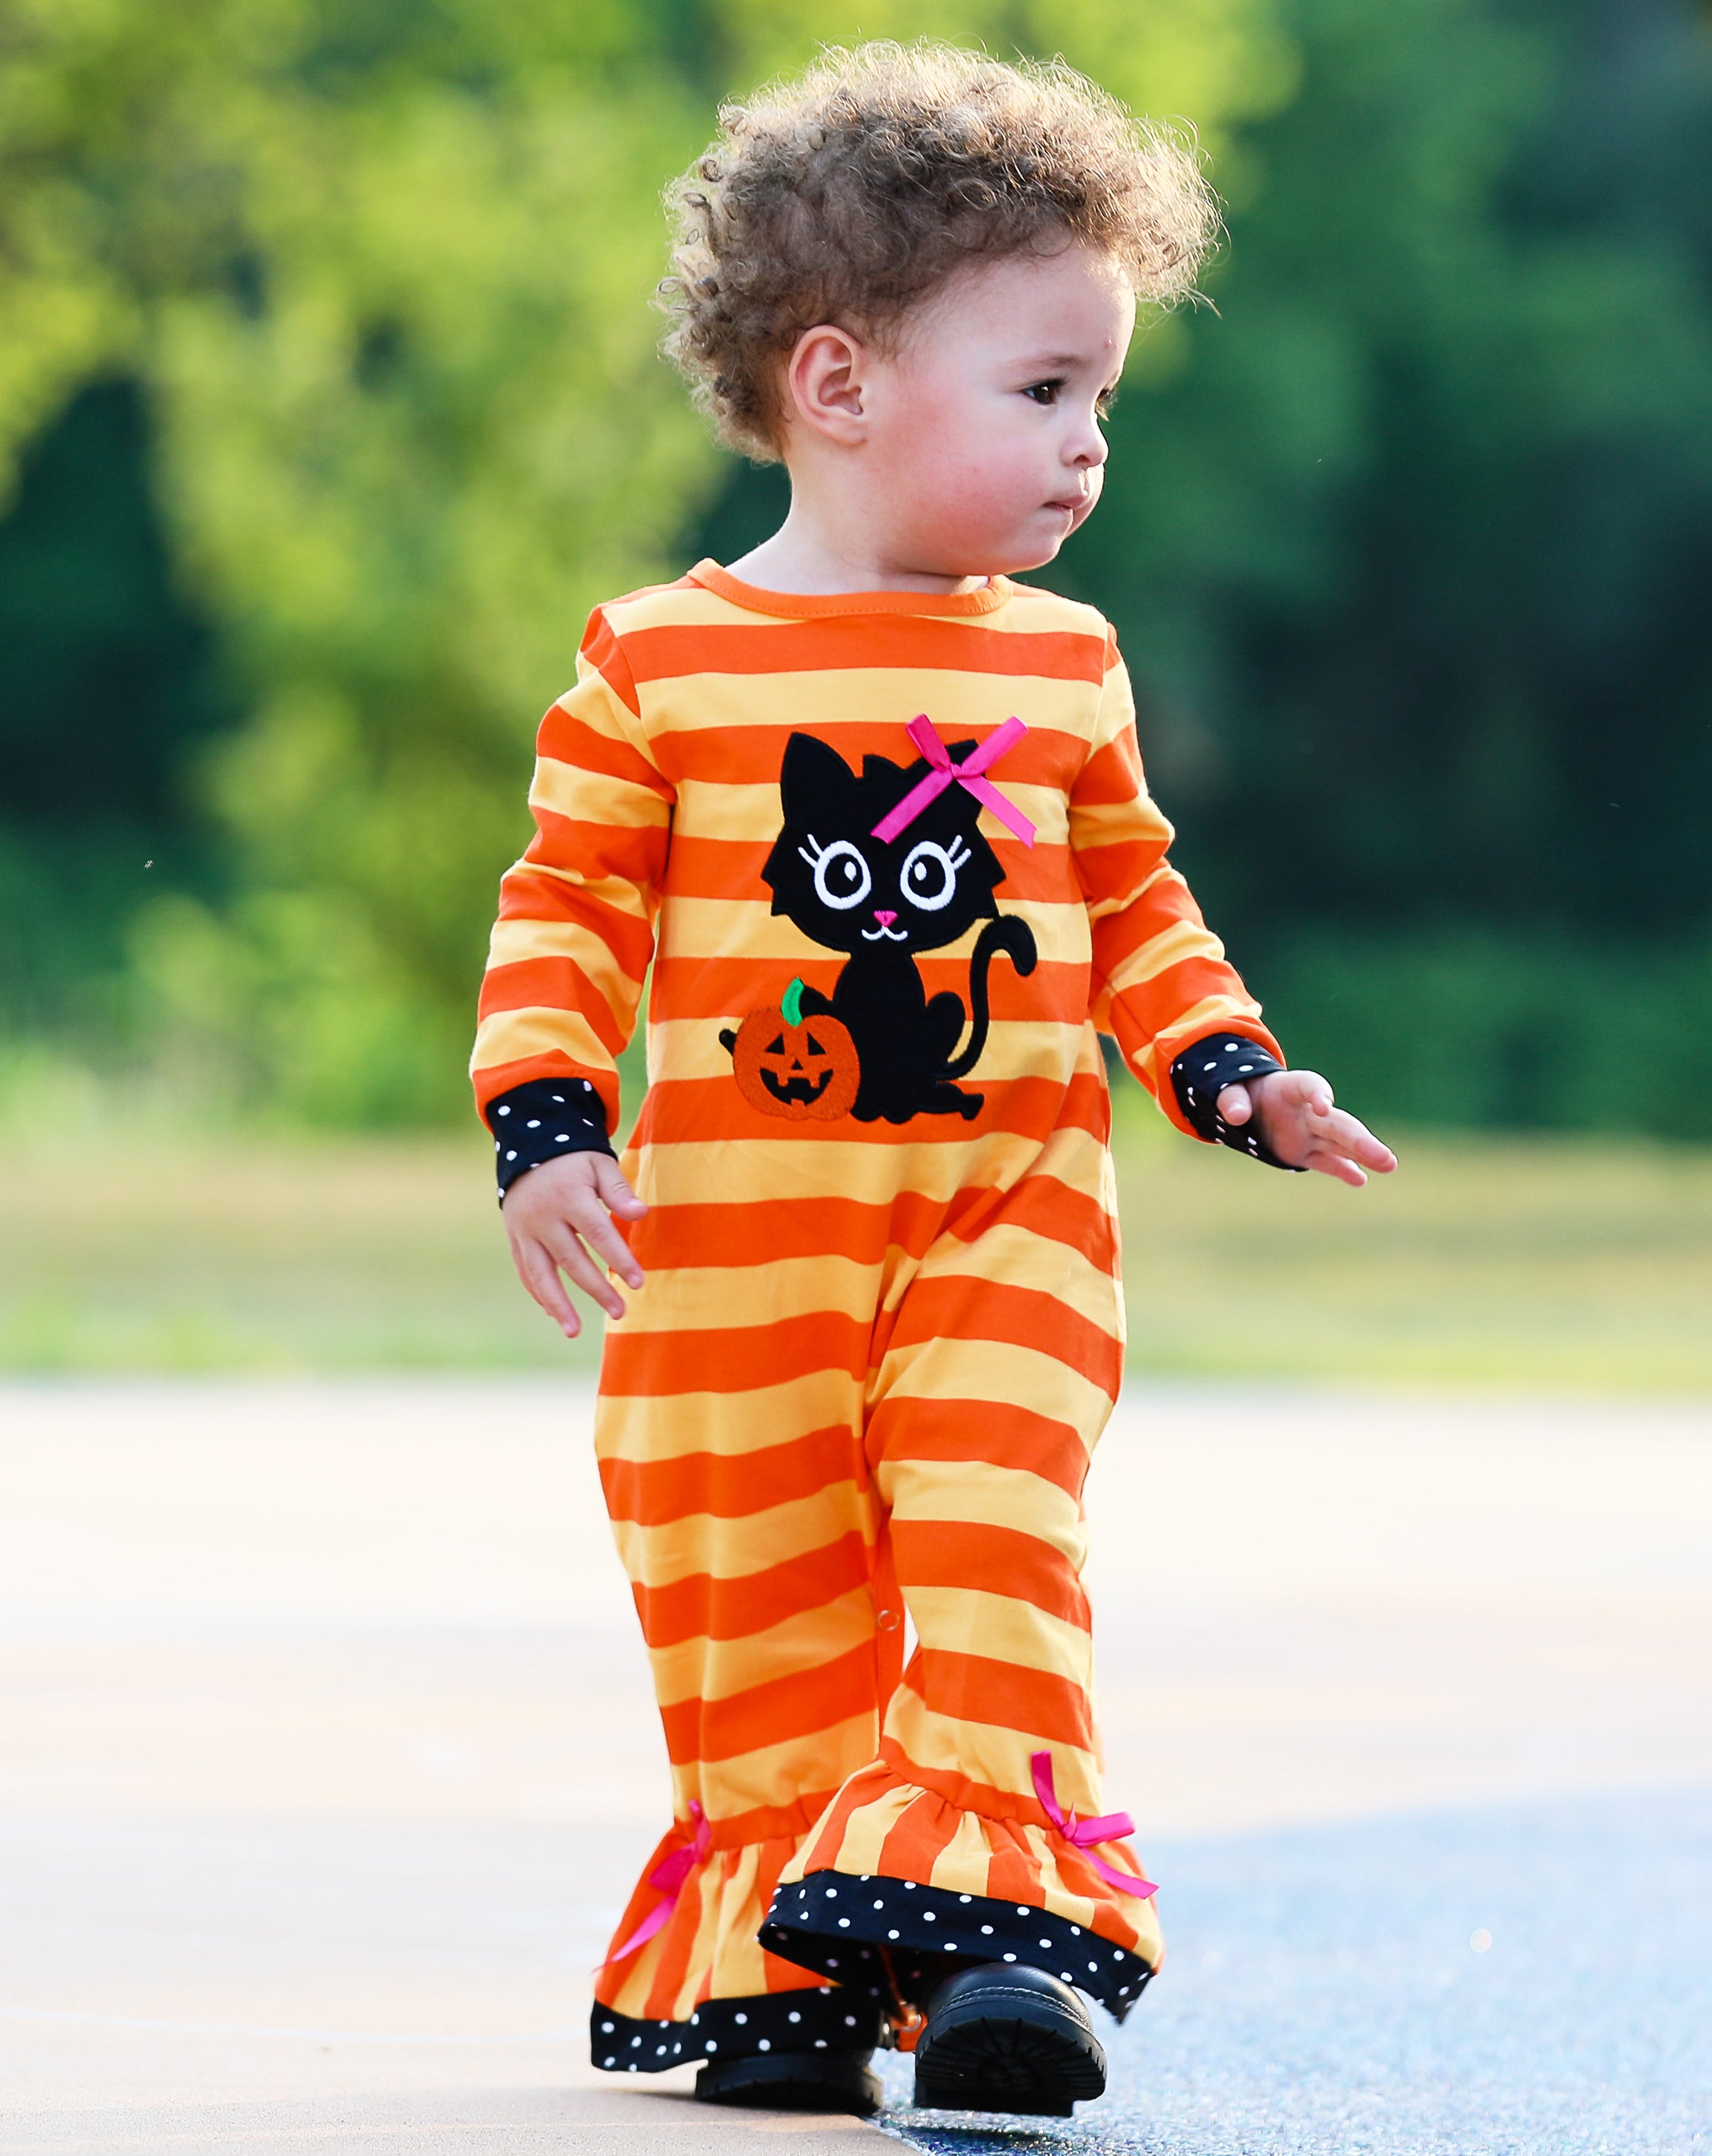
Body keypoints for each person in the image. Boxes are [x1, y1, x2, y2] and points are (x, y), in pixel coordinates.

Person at [471, 40, 1396, 2120]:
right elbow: (564, 916)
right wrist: (546, 1128)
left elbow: (1136, 908)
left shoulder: (1060, 667)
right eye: (1044, 391)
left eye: (1104, 402)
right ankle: (787, 1944)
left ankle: (1000, 1952)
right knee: (759, 1620)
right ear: (839, 385)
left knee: (995, 1539)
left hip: (1004, 1224)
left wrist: (1235, 1074)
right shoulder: (656, 666)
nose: (1088, 447)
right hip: (724, 1267)